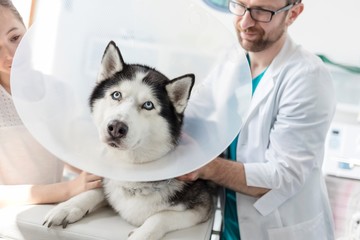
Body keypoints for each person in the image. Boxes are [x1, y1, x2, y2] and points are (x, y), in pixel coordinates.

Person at [178, 0, 336, 239]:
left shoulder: (307, 77)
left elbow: (282, 177)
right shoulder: (231, 62)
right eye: (240, 5)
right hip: (232, 228)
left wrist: (206, 167)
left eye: (262, 11)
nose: (245, 22)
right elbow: (189, 121)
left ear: (293, 14)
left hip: (280, 231)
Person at [0, 0, 102, 208]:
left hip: (54, 211)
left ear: (27, 30)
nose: (11, 54)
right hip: (11, 219)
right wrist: (68, 189)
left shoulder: (58, 91)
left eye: (15, 37)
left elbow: (66, 150)